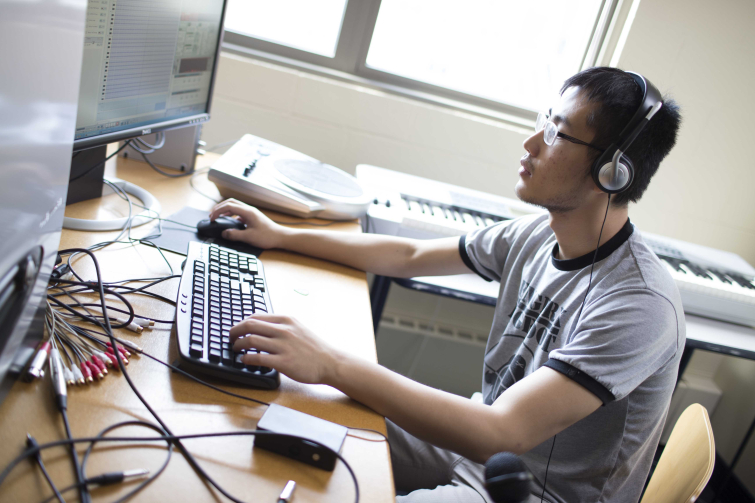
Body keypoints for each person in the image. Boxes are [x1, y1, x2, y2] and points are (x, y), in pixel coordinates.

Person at [208, 67, 683, 503]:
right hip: (481, 449)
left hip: (533, 490)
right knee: (283, 411)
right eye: (545, 120)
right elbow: (409, 256)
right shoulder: (540, 233)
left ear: (612, 171)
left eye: (558, 133)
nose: (531, 142)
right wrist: (282, 236)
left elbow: (503, 431)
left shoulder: (638, 304)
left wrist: (329, 361)